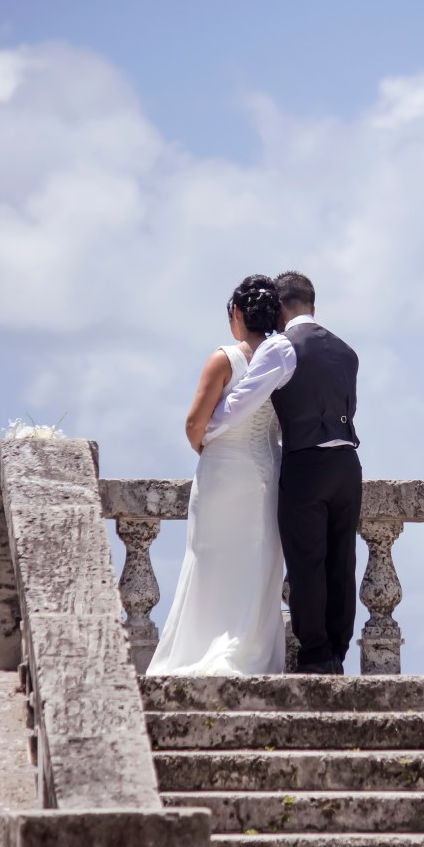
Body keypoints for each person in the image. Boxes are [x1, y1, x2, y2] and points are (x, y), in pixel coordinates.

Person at [203, 271, 361, 675]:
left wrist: (206, 428)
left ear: (279, 308)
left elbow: (240, 403)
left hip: (306, 463)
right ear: (313, 305)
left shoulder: (280, 347)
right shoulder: (346, 350)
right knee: (341, 562)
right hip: (347, 464)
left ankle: (316, 656)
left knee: (307, 563)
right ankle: (339, 654)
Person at [146, 275, 285, 676]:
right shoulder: (283, 358)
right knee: (257, 561)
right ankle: (251, 651)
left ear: (237, 314)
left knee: (209, 559)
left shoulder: (224, 358)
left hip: (224, 468)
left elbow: (194, 424)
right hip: (266, 469)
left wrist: (214, 447)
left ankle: (201, 648)